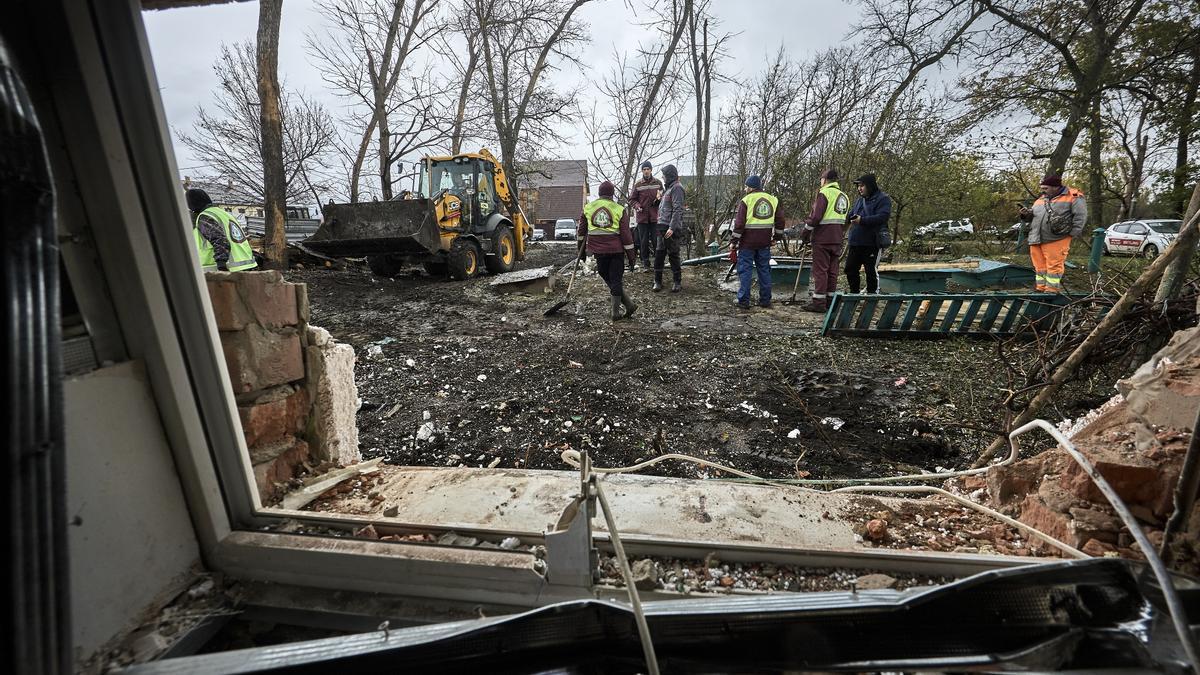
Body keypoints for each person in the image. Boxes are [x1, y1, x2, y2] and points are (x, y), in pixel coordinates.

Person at [578, 181, 638, 320]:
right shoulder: (619, 209)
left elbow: (581, 233)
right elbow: (626, 236)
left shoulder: (588, 208)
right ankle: (622, 309)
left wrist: (580, 252)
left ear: (599, 193)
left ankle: (622, 309)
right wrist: (631, 256)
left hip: (598, 251)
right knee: (615, 280)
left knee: (606, 275)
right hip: (616, 251)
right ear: (612, 194)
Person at [1019, 174, 1086, 293]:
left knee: (1054, 266)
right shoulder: (1041, 199)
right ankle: (1040, 289)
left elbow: (1080, 216)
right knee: (1039, 267)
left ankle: (1051, 291)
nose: (1043, 191)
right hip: (1036, 237)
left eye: (1045, 188)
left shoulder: (1074, 196)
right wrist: (1025, 214)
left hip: (1057, 238)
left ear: (1055, 187)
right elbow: (1033, 216)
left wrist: (1073, 233)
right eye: (1042, 188)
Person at [798, 169, 850, 312]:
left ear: (825, 179)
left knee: (820, 270)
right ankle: (830, 302)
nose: (820, 182)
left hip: (822, 238)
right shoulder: (844, 196)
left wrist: (805, 232)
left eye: (821, 179)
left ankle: (819, 303)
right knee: (833, 271)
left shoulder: (824, 193)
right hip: (837, 238)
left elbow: (815, 217)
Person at [730, 175, 785, 309]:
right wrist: (776, 238)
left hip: (747, 243)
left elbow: (739, 224)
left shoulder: (746, 200)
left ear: (750, 187)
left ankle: (743, 301)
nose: (745, 189)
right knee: (764, 270)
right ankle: (765, 300)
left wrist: (734, 241)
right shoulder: (772, 200)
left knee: (745, 271)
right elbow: (780, 221)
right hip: (764, 243)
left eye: (746, 186)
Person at [186, 188, 257, 272]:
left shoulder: (205, 217)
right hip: (245, 264)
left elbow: (220, 240)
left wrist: (221, 265)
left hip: (229, 269)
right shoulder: (222, 213)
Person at [844, 173, 890, 294]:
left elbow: (882, 217)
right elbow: (851, 214)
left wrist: (862, 220)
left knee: (870, 271)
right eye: (858, 186)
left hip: (871, 243)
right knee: (850, 269)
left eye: (862, 185)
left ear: (870, 185)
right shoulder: (860, 201)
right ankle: (854, 294)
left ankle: (872, 295)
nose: (859, 188)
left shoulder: (883, 199)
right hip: (855, 241)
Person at [654, 163, 685, 292]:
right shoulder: (667, 189)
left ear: (669, 176)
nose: (663, 178)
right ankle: (657, 281)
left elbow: (677, 209)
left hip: (670, 228)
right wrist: (658, 200)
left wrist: (672, 227)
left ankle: (677, 282)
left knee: (673, 254)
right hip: (661, 226)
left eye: (664, 175)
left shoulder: (677, 188)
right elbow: (665, 207)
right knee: (659, 254)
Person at [627, 160, 662, 270]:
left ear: (651, 170)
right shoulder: (638, 184)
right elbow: (632, 199)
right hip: (642, 218)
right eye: (644, 169)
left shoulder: (658, 183)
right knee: (643, 241)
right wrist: (637, 206)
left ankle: (658, 262)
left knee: (657, 240)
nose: (646, 171)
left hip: (655, 217)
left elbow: (663, 196)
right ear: (642, 171)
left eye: (648, 169)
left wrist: (659, 200)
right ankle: (646, 263)